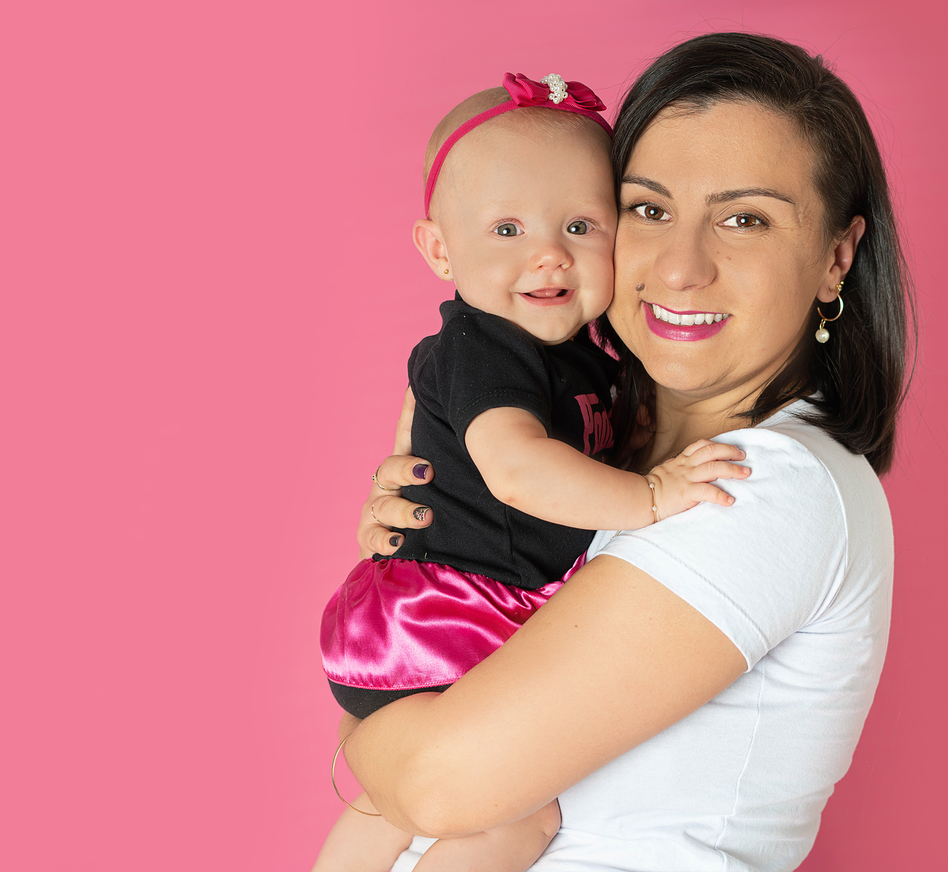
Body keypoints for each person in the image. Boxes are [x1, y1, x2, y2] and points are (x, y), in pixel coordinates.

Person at [345, 32, 910, 872]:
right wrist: (427, 564)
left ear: (837, 257)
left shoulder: (758, 486)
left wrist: (365, 730)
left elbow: (437, 784)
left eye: (744, 219)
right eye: (648, 209)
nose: (680, 267)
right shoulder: (594, 452)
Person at [314, 74, 751, 872]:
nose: (549, 253)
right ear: (441, 250)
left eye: (581, 226)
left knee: (385, 801)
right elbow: (517, 470)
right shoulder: (486, 346)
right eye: (507, 229)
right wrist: (651, 494)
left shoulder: (583, 355)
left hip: (464, 612)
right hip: (450, 617)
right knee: (518, 817)